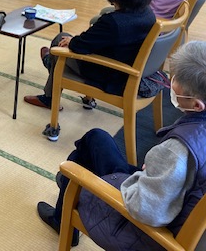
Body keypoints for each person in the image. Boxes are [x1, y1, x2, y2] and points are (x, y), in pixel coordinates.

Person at [37, 41, 206, 250]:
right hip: (169, 199)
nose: (171, 84)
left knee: (79, 161)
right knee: (96, 139)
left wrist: (150, 172)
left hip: (142, 230)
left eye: (176, 82)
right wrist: (157, 170)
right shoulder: (187, 143)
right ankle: (67, 185)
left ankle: (66, 196)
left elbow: (145, 210)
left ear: (197, 105)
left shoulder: (176, 152)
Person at [25, 0, 156, 110]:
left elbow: (80, 46)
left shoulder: (112, 22)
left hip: (110, 73)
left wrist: (72, 41)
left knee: (60, 40)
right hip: (129, 65)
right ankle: (77, 91)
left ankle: (49, 90)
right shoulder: (148, 14)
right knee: (66, 43)